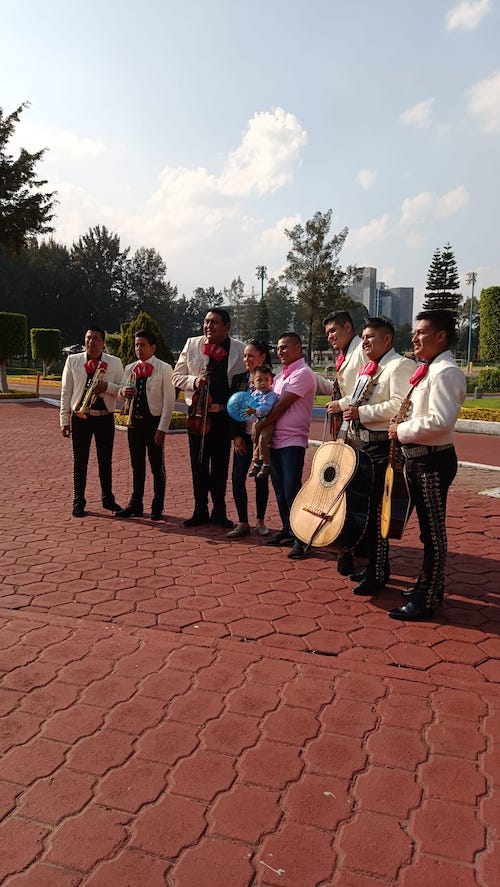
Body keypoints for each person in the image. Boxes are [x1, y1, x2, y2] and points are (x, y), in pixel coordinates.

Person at [387, 310, 466, 621]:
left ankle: (427, 596)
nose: (415, 338)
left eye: (421, 332)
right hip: (421, 460)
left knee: (432, 533)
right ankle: (430, 585)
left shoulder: (446, 371)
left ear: (441, 336)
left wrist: (401, 430)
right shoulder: (432, 368)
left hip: (432, 462)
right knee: (427, 530)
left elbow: (441, 420)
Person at [343, 317, 415, 595]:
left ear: (388, 339)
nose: (365, 342)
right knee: (368, 509)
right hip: (364, 445)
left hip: (383, 447)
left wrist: (361, 413)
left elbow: (399, 406)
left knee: (378, 511)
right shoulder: (370, 368)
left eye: (371, 336)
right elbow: (355, 400)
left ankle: (378, 572)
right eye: (363, 337)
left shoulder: (399, 365)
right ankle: (375, 567)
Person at [172, 308, 245, 528]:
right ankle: (199, 509)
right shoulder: (192, 344)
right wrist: (194, 382)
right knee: (199, 464)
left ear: (227, 326)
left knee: (221, 466)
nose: (208, 327)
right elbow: (176, 376)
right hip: (197, 415)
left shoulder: (240, 350)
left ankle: (219, 511)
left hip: (224, 416)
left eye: (214, 323)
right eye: (205, 322)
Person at [254, 332, 317, 560]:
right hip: (276, 441)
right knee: (280, 489)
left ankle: (303, 539)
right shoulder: (279, 377)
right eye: (278, 348)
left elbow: (280, 407)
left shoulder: (304, 374)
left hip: (292, 441)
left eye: (285, 347)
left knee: (292, 489)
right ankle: (288, 529)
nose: (280, 352)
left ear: (298, 348)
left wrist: (260, 427)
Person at [316, 310, 365, 576]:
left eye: (334, 331)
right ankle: (350, 547)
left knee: (353, 489)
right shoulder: (348, 353)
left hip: (359, 428)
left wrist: (340, 404)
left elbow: (365, 390)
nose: (331, 337)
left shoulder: (360, 352)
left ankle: (353, 548)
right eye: (327, 334)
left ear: (348, 326)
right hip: (348, 428)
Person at [60, 326, 124, 518]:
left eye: (96, 339)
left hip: (104, 417)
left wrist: (107, 387)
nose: (91, 342)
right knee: (80, 461)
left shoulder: (114, 362)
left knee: (106, 461)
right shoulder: (73, 360)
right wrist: (64, 420)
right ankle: (78, 500)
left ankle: (107, 499)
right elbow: (66, 391)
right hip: (81, 417)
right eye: (88, 338)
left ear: (103, 342)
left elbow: (123, 390)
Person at [115, 330, 175, 521]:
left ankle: (158, 505)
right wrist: (123, 392)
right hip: (135, 423)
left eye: (142, 345)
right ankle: (136, 504)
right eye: (136, 345)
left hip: (153, 422)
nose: (138, 349)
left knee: (157, 466)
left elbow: (169, 401)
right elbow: (120, 393)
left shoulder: (164, 368)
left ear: (153, 347)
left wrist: (162, 428)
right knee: (136, 466)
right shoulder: (130, 367)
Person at [227, 340, 274, 539]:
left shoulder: (271, 379)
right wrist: (236, 436)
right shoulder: (238, 379)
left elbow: (275, 406)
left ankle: (261, 522)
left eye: (251, 355)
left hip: (262, 437)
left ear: (262, 357)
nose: (246, 359)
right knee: (238, 479)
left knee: (261, 479)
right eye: (245, 355)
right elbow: (231, 409)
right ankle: (243, 522)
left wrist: (262, 427)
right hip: (243, 438)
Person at [247, 364, 279, 479]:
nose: (263, 383)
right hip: (259, 420)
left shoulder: (271, 395)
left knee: (262, 440)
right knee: (255, 440)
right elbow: (249, 403)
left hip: (268, 421)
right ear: (253, 383)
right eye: (259, 380)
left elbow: (266, 409)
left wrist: (254, 410)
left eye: (266, 380)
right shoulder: (255, 394)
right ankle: (256, 463)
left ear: (271, 382)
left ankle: (266, 463)